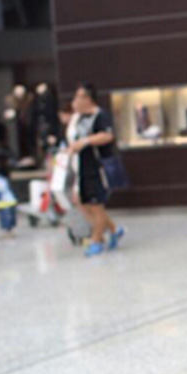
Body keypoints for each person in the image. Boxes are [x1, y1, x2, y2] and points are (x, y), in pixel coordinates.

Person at [67, 83, 125, 257]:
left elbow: (107, 135)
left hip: (96, 167)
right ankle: (113, 230)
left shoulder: (100, 116)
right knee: (85, 205)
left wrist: (85, 141)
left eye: (79, 97)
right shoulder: (78, 118)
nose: (75, 100)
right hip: (81, 167)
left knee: (96, 205)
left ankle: (97, 241)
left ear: (88, 98)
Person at [0, 163, 18, 239]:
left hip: (3, 201)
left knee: (5, 217)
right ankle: (10, 232)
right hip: (11, 199)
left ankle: (8, 233)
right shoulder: (2, 178)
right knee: (10, 216)